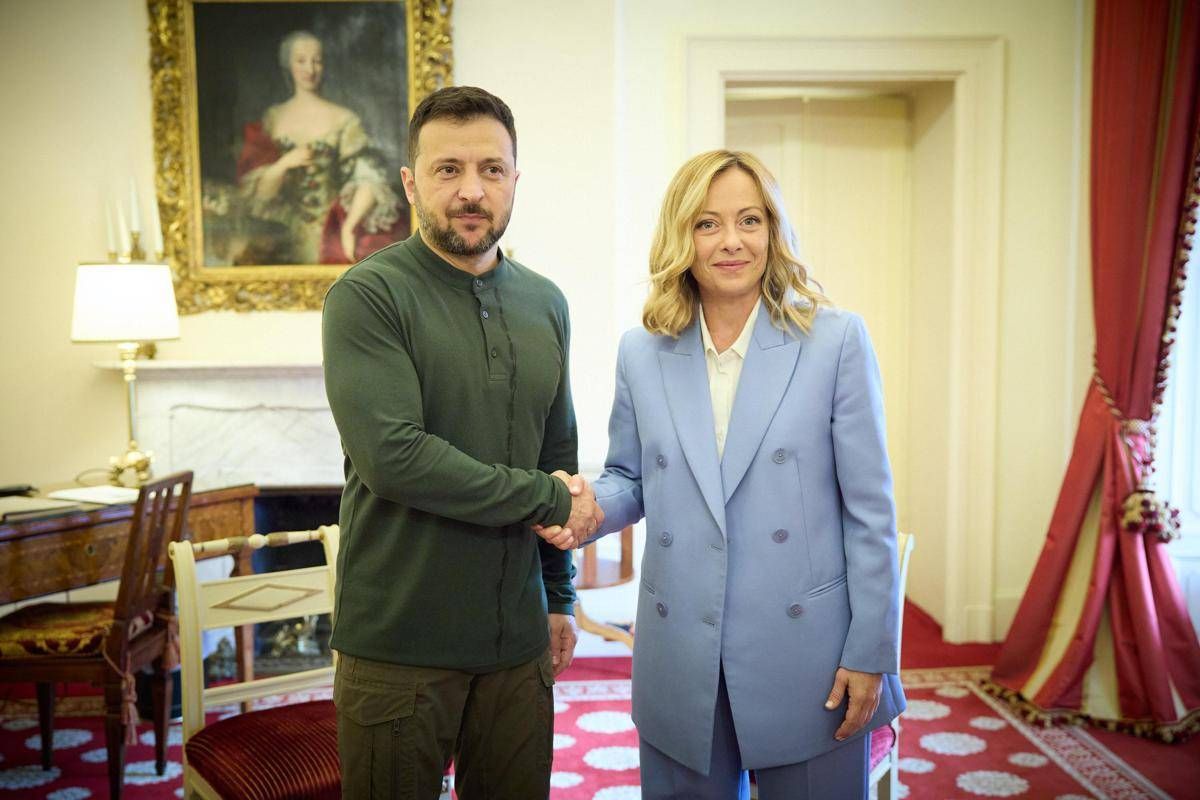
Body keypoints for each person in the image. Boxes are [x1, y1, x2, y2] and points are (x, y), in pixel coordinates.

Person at [539, 150, 906, 799]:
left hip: (809, 651)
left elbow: (870, 513)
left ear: (774, 231)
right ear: (681, 238)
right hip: (681, 646)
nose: (731, 241)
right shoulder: (641, 352)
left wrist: (870, 652)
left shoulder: (836, 341)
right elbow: (631, 477)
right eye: (707, 224)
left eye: (749, 220)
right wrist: (587, 504)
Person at [322, 86, 602, 799]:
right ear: (411, 183)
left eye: (491, 169)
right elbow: (396, 458)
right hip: (399, 645)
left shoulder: (546, 302)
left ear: (515, 181)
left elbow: (556, 453)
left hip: (517, 641)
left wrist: (559, 595)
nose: (471, 190)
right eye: (448, 169)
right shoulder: (368, 295)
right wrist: (549, 498)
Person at [236, 30, 407, 264]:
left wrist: (349, 226)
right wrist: (283, 164)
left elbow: (369, 178)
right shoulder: (273, 118)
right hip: (282, 235)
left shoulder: (344, 119)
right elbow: (260, 195)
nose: (310, 69)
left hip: (330, 231)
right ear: (288, 65)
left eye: (317, 61)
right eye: (301, 61)